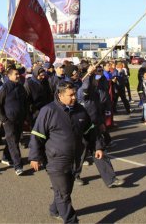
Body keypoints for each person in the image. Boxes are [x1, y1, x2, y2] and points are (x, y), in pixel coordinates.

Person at [29, 82, 104, 223]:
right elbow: (37, 135)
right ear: (60, 95)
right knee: (63, 194)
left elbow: (90, 131)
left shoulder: (80, 110)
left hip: (74, 159)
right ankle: (71, 220)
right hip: (55, 160)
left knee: (65, 190)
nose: (74, 97)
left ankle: (54, 209)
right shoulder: (48, 110)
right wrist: (34, 156)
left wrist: (98, 147)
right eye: (71, 95)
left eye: (75, 94)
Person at [0, 67, 28, 176]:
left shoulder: (21, 87)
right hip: (9, 120)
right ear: (9, 76)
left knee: (14, 140)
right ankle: (18, 166)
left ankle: (6, 156)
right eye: (15, 74)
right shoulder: (5, 87)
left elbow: (25, 102)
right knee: (13, 142)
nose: (18, 76)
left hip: (19, 119)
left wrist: (25, 116)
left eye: (18, 74)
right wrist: (3, 119)